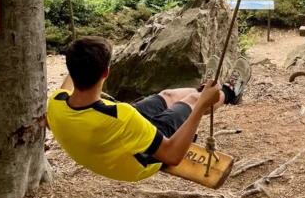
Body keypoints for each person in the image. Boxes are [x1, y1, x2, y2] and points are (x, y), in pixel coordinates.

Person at [47, 36, 251, 182]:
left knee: (168, 96)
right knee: (192, 102)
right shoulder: (123, 117)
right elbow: (172, 156)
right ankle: (229, 92)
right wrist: (202, 105)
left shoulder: (56, 101)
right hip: (137, 162)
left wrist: (79, 55)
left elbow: (70, 83)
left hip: (108, 132)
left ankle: (202, 90)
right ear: (106, 72)